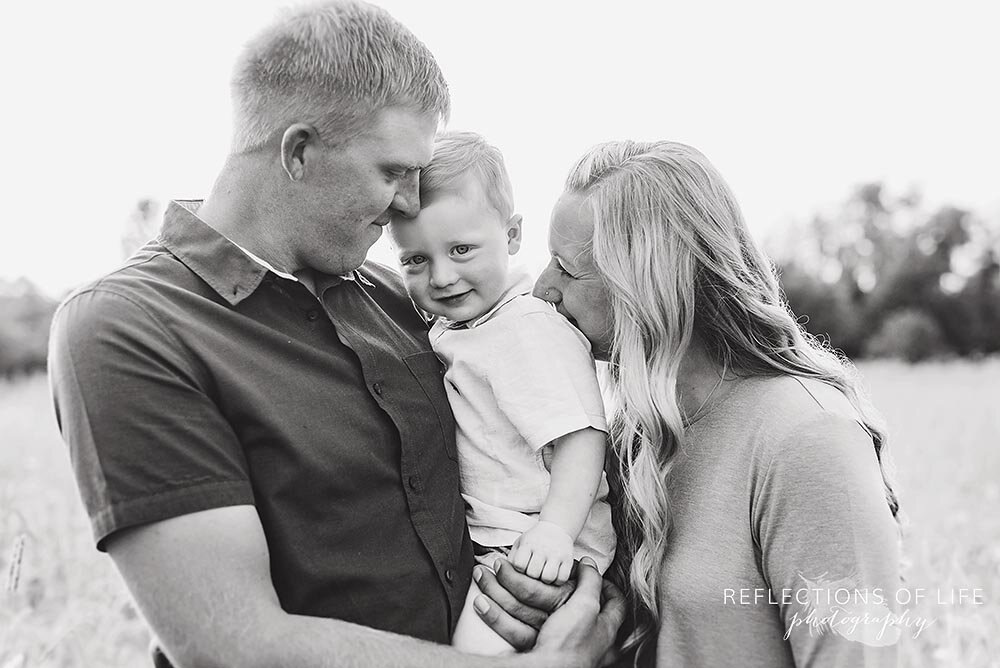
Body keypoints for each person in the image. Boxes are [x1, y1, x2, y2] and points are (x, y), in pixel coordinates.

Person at [47, 3, 622, 666]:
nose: (409, 204)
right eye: (391, 172)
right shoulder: (128, 327)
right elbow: (233, 646)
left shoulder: (403, 301)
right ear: (298, 152)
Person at [532, 140, 902, 667]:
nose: (542, 289)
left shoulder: (808, 439)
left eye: (566, 269)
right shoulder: (625, 439)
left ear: (647, 283)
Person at [387, 132, 616, 654]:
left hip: (543, 550)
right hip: (501, 541)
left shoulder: (526, 328)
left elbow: (581, 437)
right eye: (415, 261)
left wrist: (556, 533)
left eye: (461, 250)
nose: (442, 277)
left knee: (471, 655)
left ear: (512, 236)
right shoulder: (465, 328)